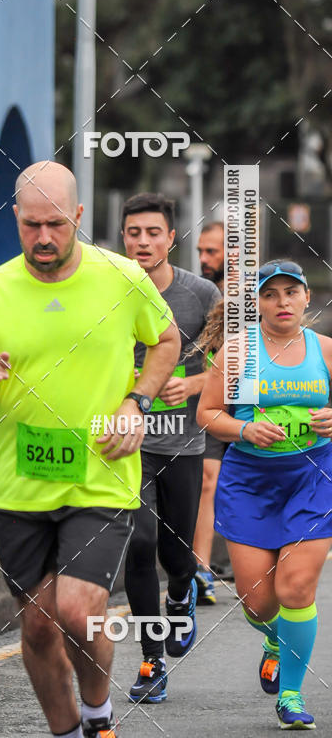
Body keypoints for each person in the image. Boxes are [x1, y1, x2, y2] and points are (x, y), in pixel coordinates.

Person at [0, 162, 181, 738]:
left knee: (77, 612)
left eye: (55, 223)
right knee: (38, 626)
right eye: (31, 225)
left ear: (77, 217)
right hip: (19, 484)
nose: (44, 238)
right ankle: (67, 730)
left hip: (101, 475)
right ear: (16, 220)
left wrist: (137, 403)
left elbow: (167, 339)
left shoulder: (123, 277)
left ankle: (99, 713)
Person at [197, 260, 332, 730]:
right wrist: (245, 428)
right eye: (270, 294)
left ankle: (291, 695)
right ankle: (275, 640)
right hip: (250, 481)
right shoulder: (235, 352)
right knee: (258, 602)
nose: (281, 303)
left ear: (306, 298)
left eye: (290, 293)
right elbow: (208, 413)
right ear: (257, 302)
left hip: (313, 478)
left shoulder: (327, 351)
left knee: (295, 588)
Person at [120, 193, 220, 704]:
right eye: (134, 232)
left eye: (153, 233)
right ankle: (151, 661)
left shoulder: (200, 293)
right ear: (122, 238)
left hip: (183, 443)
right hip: (126, 446)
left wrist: (197, 382)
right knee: (136, 546)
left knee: (175, 554)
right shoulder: (107, 291)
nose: (143, 241)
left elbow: (239, 364)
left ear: (170, 239)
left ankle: (181, 594)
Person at [194, 222, 227, 603]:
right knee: (208, 476)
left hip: (256, 405)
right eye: (201, 251)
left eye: (212, 252)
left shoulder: (256, 295)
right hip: (211, 402)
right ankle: (200, 568)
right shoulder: (203, 295)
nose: (204, 259)